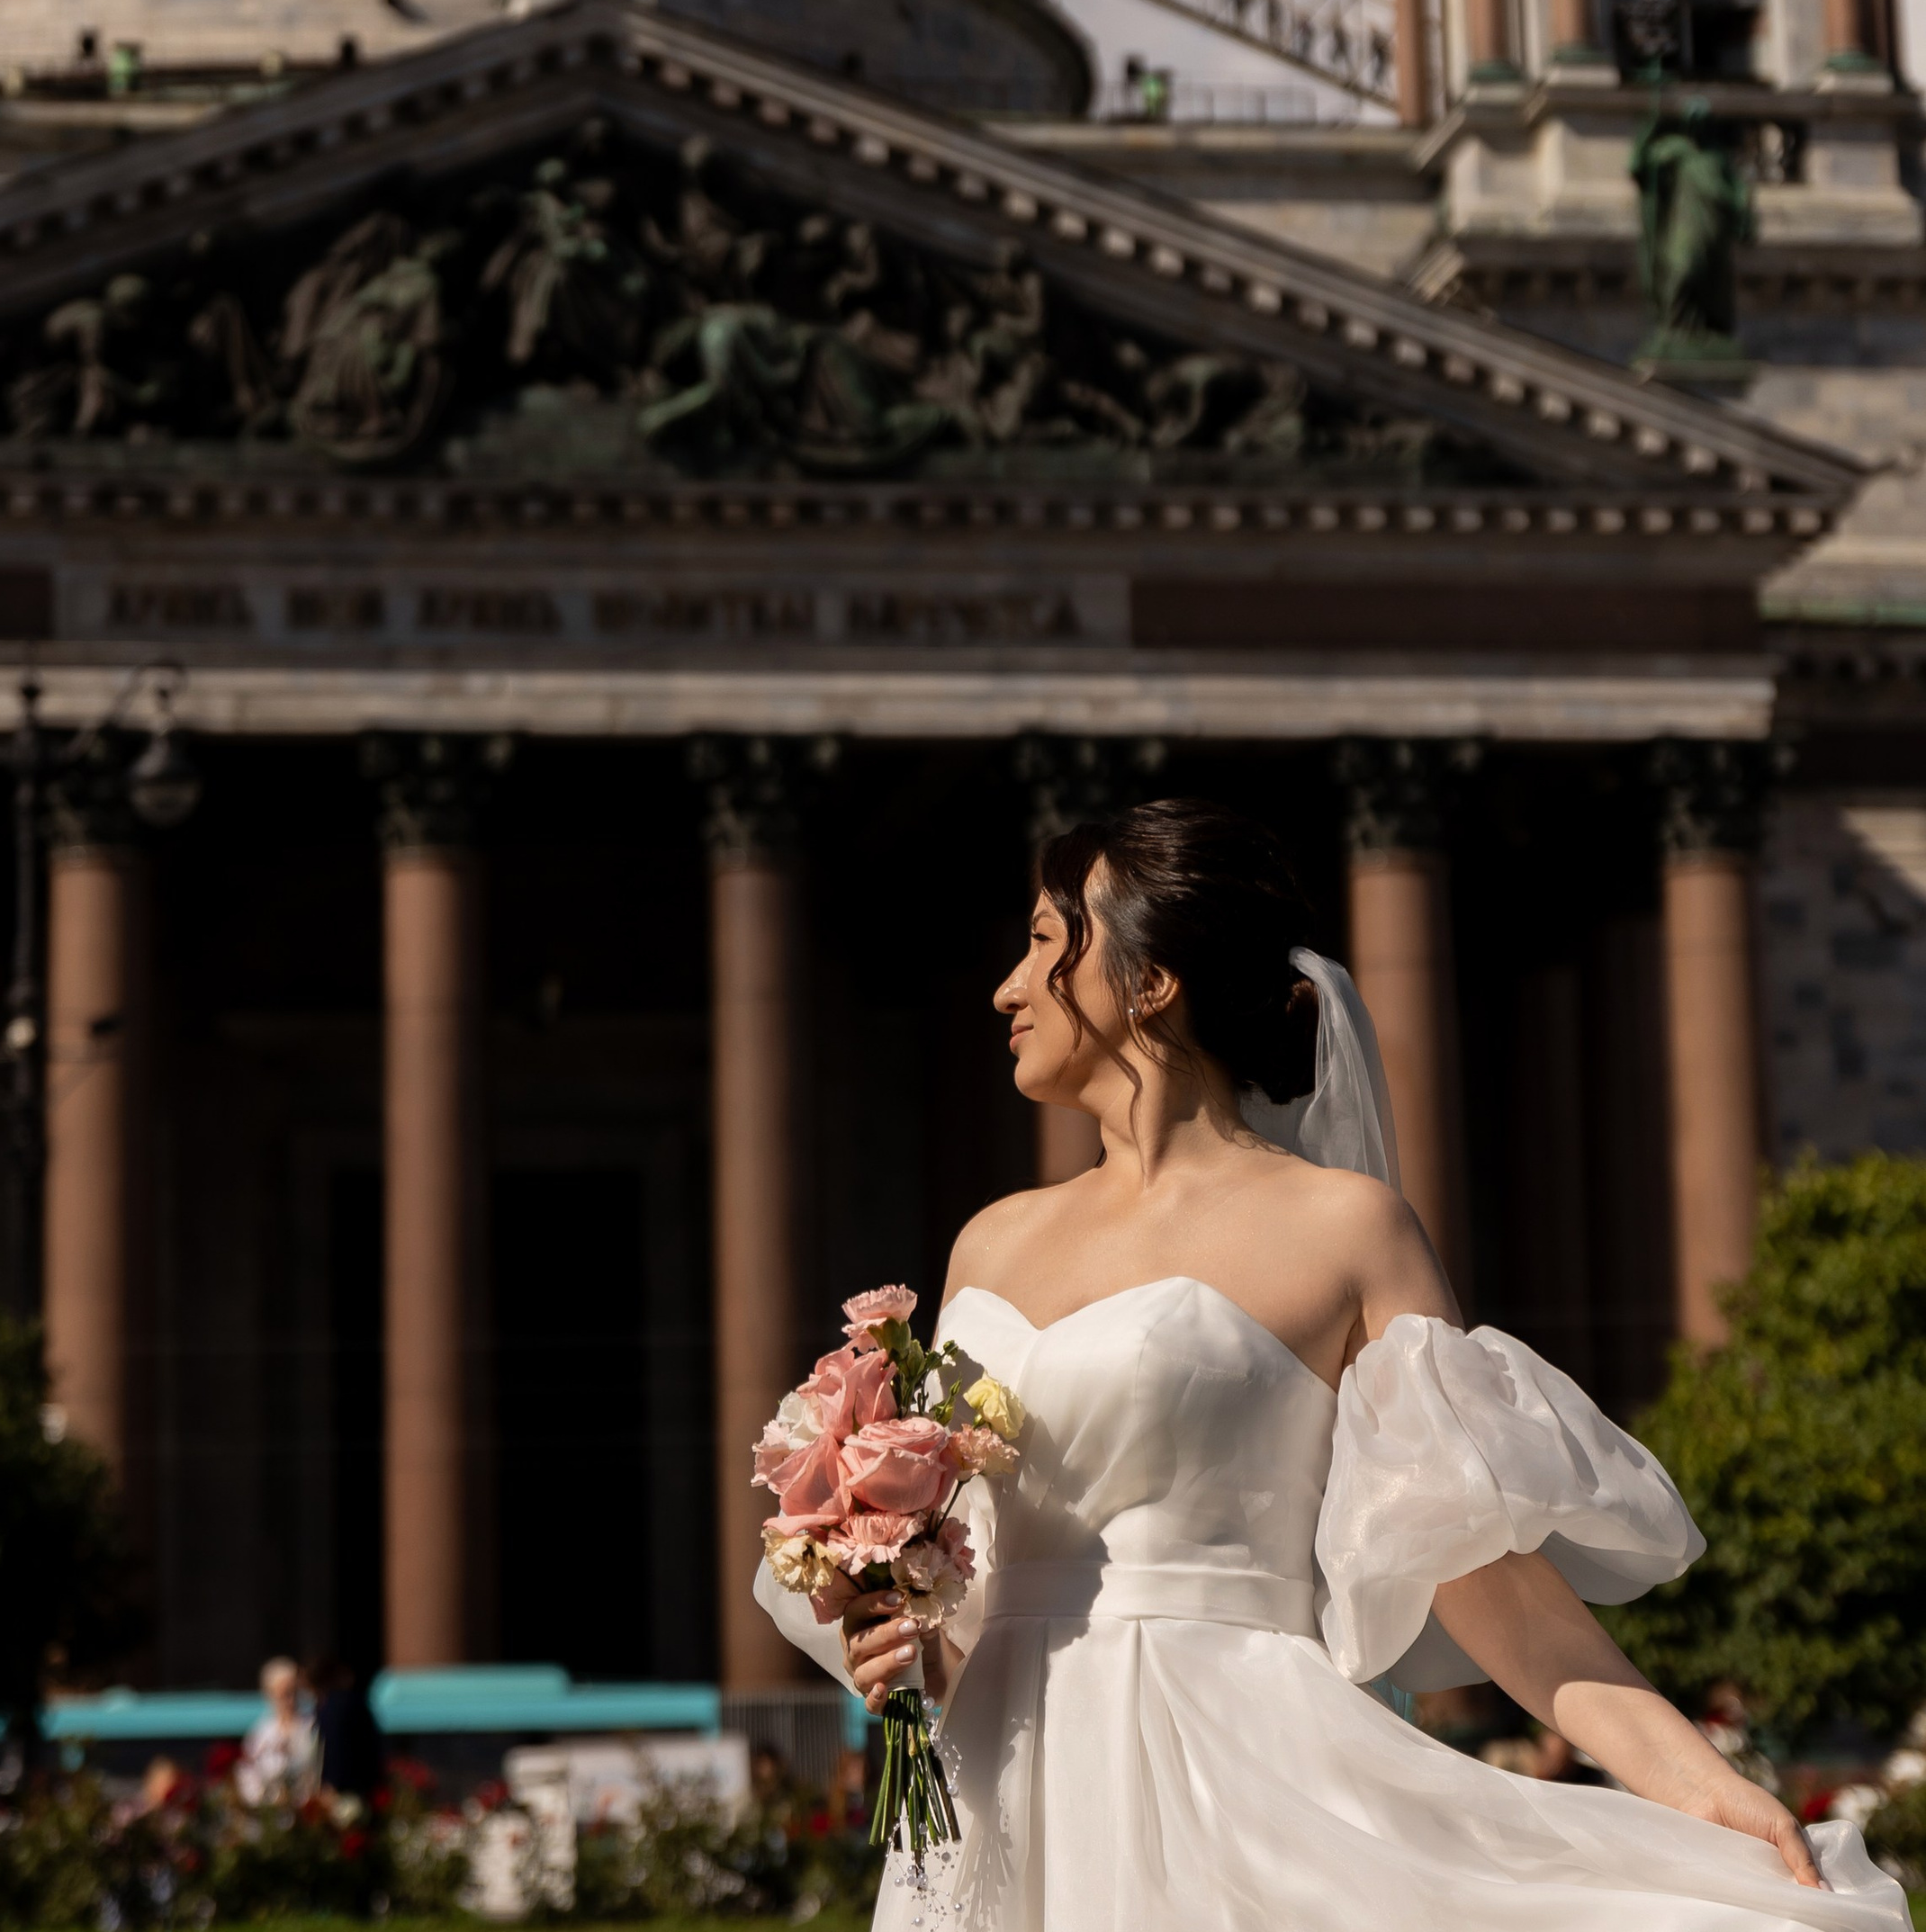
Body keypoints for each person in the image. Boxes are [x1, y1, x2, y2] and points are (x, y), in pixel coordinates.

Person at [756, 798, 1908, 1932]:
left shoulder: (1346, 1230)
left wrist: (1699, 1783)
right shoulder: (988, 1241)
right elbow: (982, 1586)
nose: (1008, 986)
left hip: (1237, 1775)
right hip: (1000, 1789)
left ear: (1150, 979)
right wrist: (901, 1631)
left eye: (1048, 943)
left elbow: (1483, 1573)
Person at [236, 1658, 319, 1805]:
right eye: (284, 1694)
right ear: (271, 1694)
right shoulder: (261, 1733)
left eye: (294, 1692)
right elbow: (247, 1776)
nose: (291, 1700)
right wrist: (267, 1800)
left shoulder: (312, 1726)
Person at [308, 1657, 382, 1801]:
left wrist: (332, 1784)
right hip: (363, 1786)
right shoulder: (354, 1704)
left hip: (344, 1789)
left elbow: (335, 1748)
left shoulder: (335, 1708)